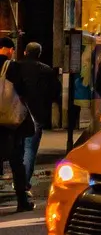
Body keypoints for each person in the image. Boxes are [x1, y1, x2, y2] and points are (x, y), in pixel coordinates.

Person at [15, 42, 57, 185]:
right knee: (30, 148)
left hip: (16, 112)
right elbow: (54, 92)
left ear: (25, 52)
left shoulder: (16, 68)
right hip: (37, 114)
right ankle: (24, 182)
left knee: (17, 149)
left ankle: (19, 180)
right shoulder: (46, 70)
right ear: (39, 54)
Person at [0, 39, 32, 211]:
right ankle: (22, 201)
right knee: (16, 160)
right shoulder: (11, 67)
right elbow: (22, 90)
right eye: (12, 49)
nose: (12, 52)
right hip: (9, 121)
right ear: (6, 49)